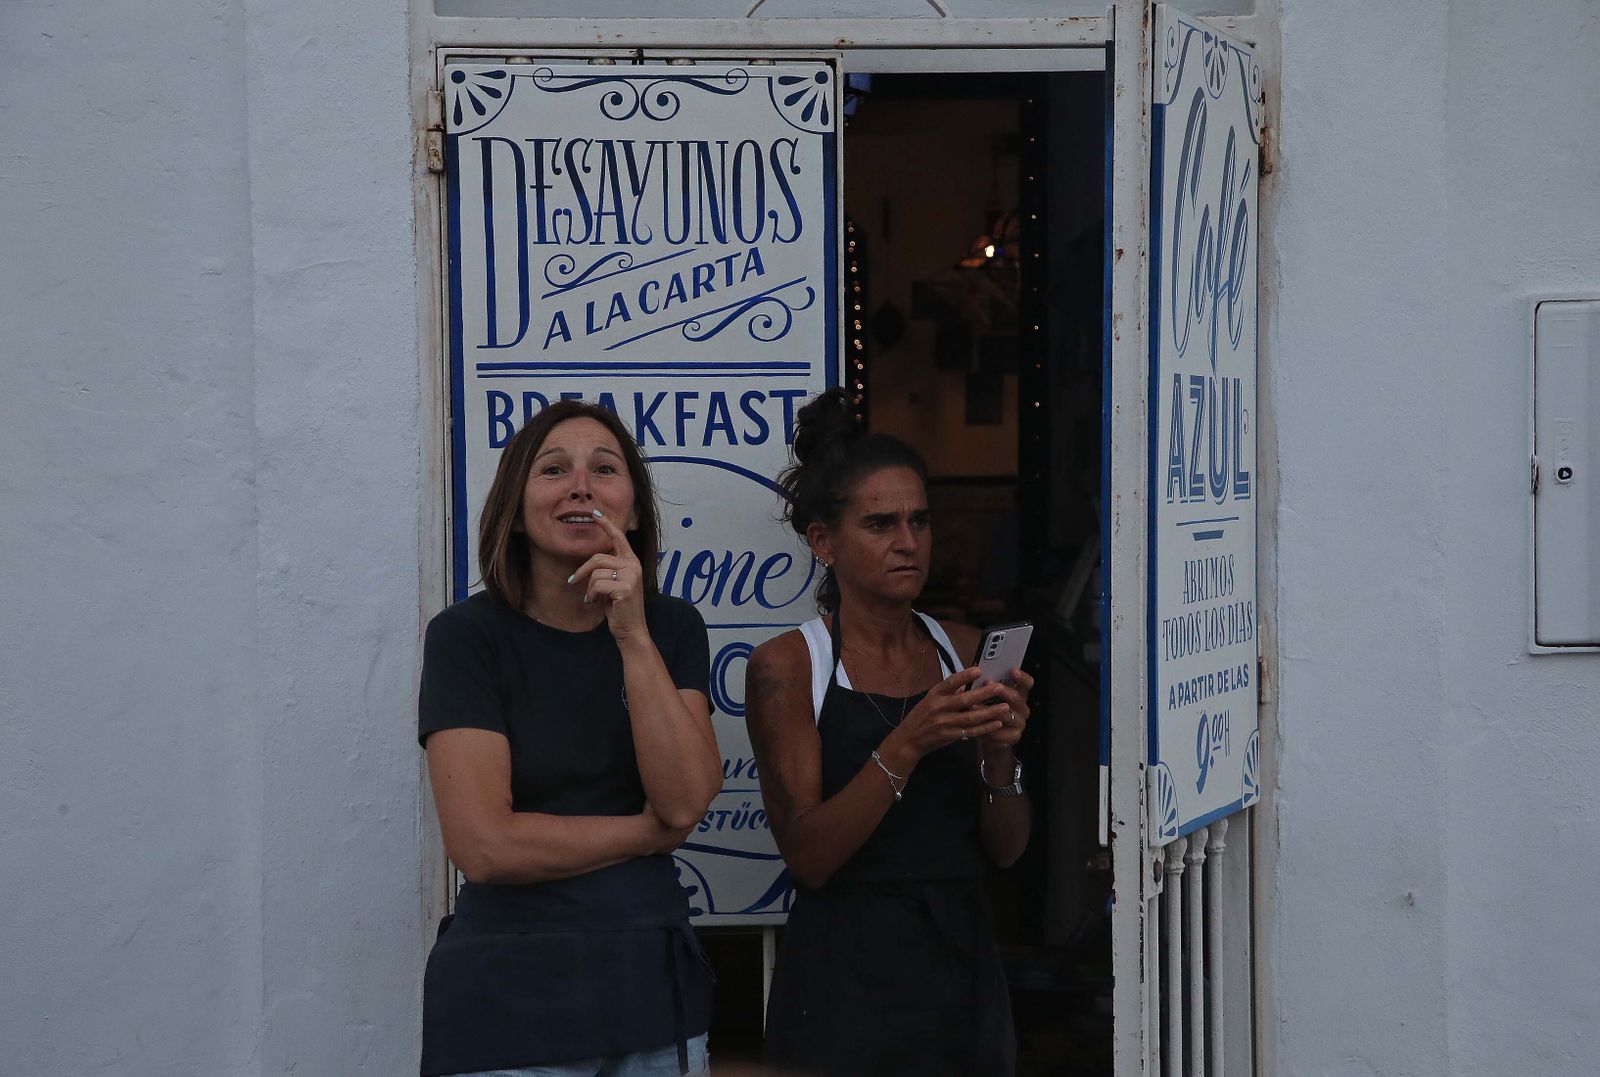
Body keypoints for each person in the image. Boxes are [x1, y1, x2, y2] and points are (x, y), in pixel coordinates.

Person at [417, 400, 722, 1077]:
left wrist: (632, 635)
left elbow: (683, 799)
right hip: (508, 1001)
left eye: (604, 470)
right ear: (515, 507)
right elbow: (484, 846)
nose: (580, 486)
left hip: (649, 991)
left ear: (634, 511)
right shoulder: (468, 637)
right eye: (553, 470)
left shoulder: (672, 628)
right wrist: (646, 833)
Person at [747, 388, 1035, 1077]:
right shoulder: (789, 665)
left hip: (961, 966)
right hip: (845, 978)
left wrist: (999, 754)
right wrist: (908, 742)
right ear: (823, 541)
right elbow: (809, 856)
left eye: (919, 520)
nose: (908, 542)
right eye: (880, 524)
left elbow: (1008, 850)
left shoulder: (964, 649)